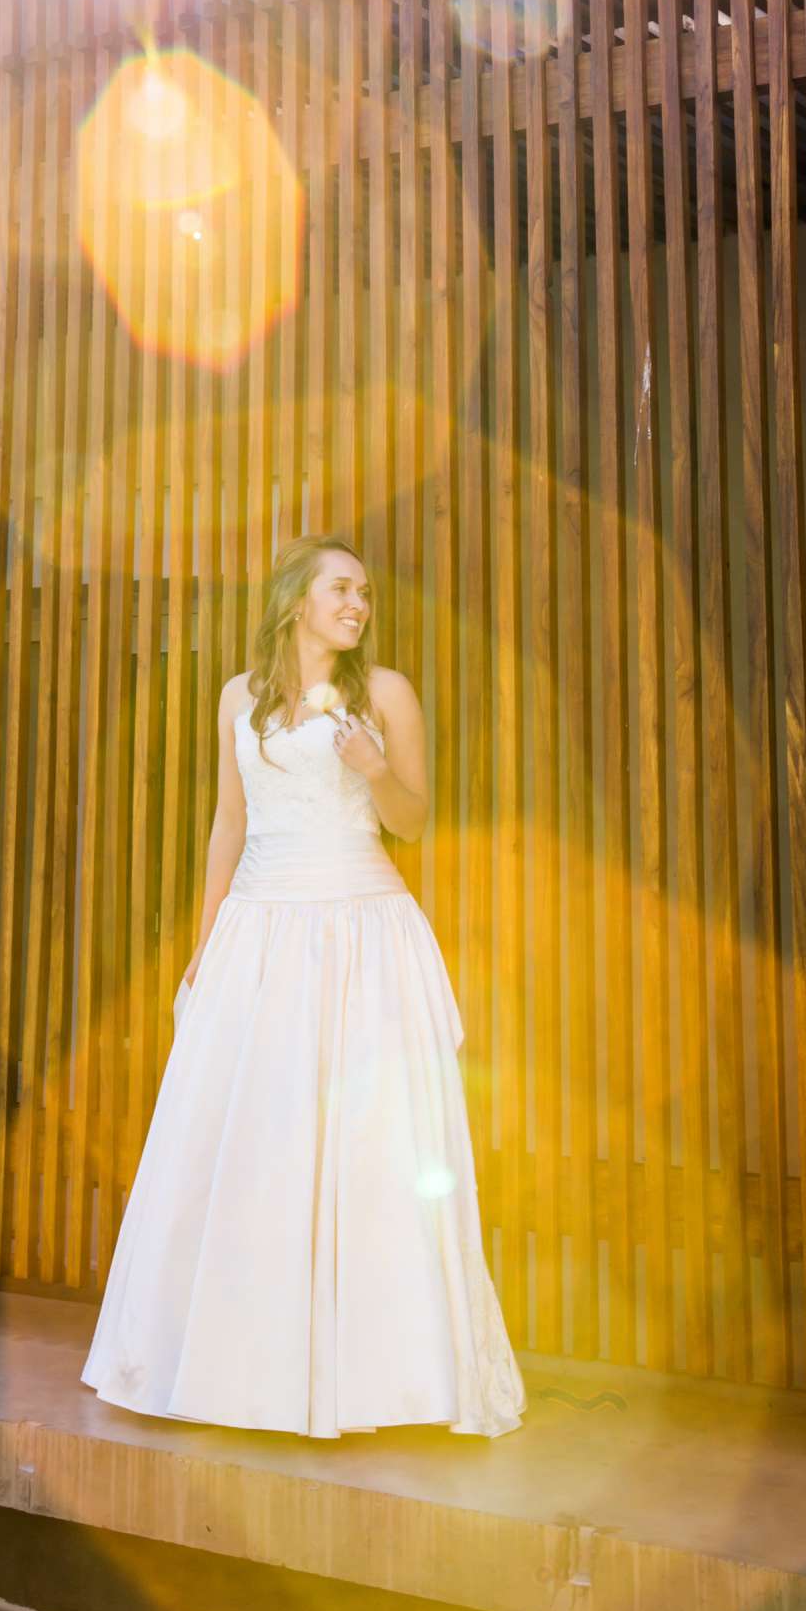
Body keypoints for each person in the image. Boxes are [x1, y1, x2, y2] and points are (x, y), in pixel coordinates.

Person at [80, 532, 526, 1439]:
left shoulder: (386, 694)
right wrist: (206, 945)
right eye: (341, 589)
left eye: (364, 592)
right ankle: (235, 1376)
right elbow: (227, 823)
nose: (359, 605)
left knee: (367, 1151)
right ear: (296, 601)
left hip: (362, 931)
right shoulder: (238, 698)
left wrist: (373, 770)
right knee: (254, 1147)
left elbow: (413, 818)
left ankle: (382, 1381)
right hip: (260, 935)